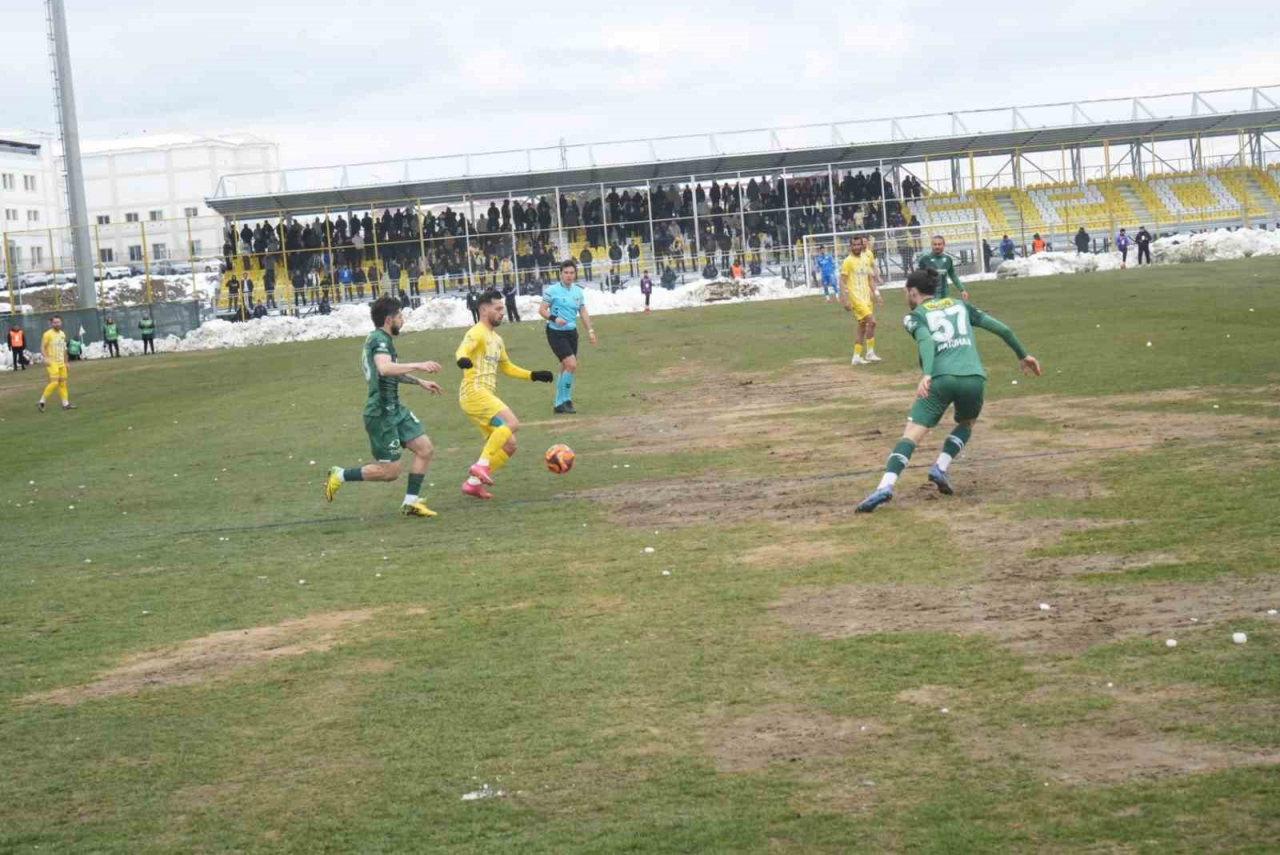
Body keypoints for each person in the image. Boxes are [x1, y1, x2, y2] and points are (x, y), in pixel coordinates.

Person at [855, 269, 1041, 513]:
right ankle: (940, 467)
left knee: (911, 435)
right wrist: (1023, 355)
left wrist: (927, 373)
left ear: (913, 292)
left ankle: (885, 486)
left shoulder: (914, 316)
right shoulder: (960, 305)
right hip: (973, 378)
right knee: (967, 423)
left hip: (941, 379)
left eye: (906, 292)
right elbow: (1002, 329)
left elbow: (926, 340)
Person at [324, 295, 444, 517]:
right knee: (390, 472)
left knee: (425, 449)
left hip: (394, 408)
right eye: (400, 316)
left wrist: (419, 382)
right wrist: (419, 365)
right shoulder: (380, 340)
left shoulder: (379, 338)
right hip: (380, 413)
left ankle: (410, 503)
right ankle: (339, 475)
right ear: (389, 319)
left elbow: (390, 372)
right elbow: (385, 369)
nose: (403, 320)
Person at [455, 289, 554, 499]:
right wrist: (462, 360)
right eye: (498, 308)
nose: (502, 312)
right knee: (512, 423)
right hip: (474, 391)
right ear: (484, 310)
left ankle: (473, 484)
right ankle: (480, 466)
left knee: (509, 445)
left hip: (481, 397)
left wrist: (533, 375)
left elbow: (507, 367)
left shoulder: (497, 339)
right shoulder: (477, 332)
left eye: (502, 308)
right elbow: (462, 350)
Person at [539, 259, 598, 414]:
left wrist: (590, 331)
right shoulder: (552, 290)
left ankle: (559, 404)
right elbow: (542, 310)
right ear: (560, 274)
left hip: (572, 333)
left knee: (565, 367)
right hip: (555, 332)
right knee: (571, 364)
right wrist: (554, 318)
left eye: (572, 272)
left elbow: (583, 312)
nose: (569, 275)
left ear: (575, 274)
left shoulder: (578, 292)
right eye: (566, 272)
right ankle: (566, 400)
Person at [840, 234, 884, 366]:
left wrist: (877, 294)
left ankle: (856, 357)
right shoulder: (848, 261)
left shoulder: (866, 258)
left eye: (858, 244)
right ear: (850, 246)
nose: (856, 247)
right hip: (856, 298)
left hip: (866, 298)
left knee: (862, 327)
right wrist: (845, 300)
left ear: (862, 245)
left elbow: (870, 279)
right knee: (872, 322)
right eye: (854, 245)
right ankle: (870, 353)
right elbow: (842, 281)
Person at [36, 315, 75, 412]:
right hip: (52, 362)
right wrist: (46, 358)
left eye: (58, 322)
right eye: (55, 322)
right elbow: (42, 347)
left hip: (61, 363)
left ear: (61, 323)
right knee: (54, 382)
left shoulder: (62, 334)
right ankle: (42, 401)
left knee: (63, 383)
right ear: (51, 323)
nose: (57, 324)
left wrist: (66, 362)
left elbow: (64, 349)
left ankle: (65, 404)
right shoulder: (47, 334)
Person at [916, 235, 968, 300]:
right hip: (930, 296)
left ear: (943, 245)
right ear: (931, 245)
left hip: (945, 295)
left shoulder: (948, 259)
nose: (937, 246)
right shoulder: (924, 259)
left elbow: (953, 275)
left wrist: (962, 290)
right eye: (935, 244)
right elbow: (918, 277)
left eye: (939, 244)